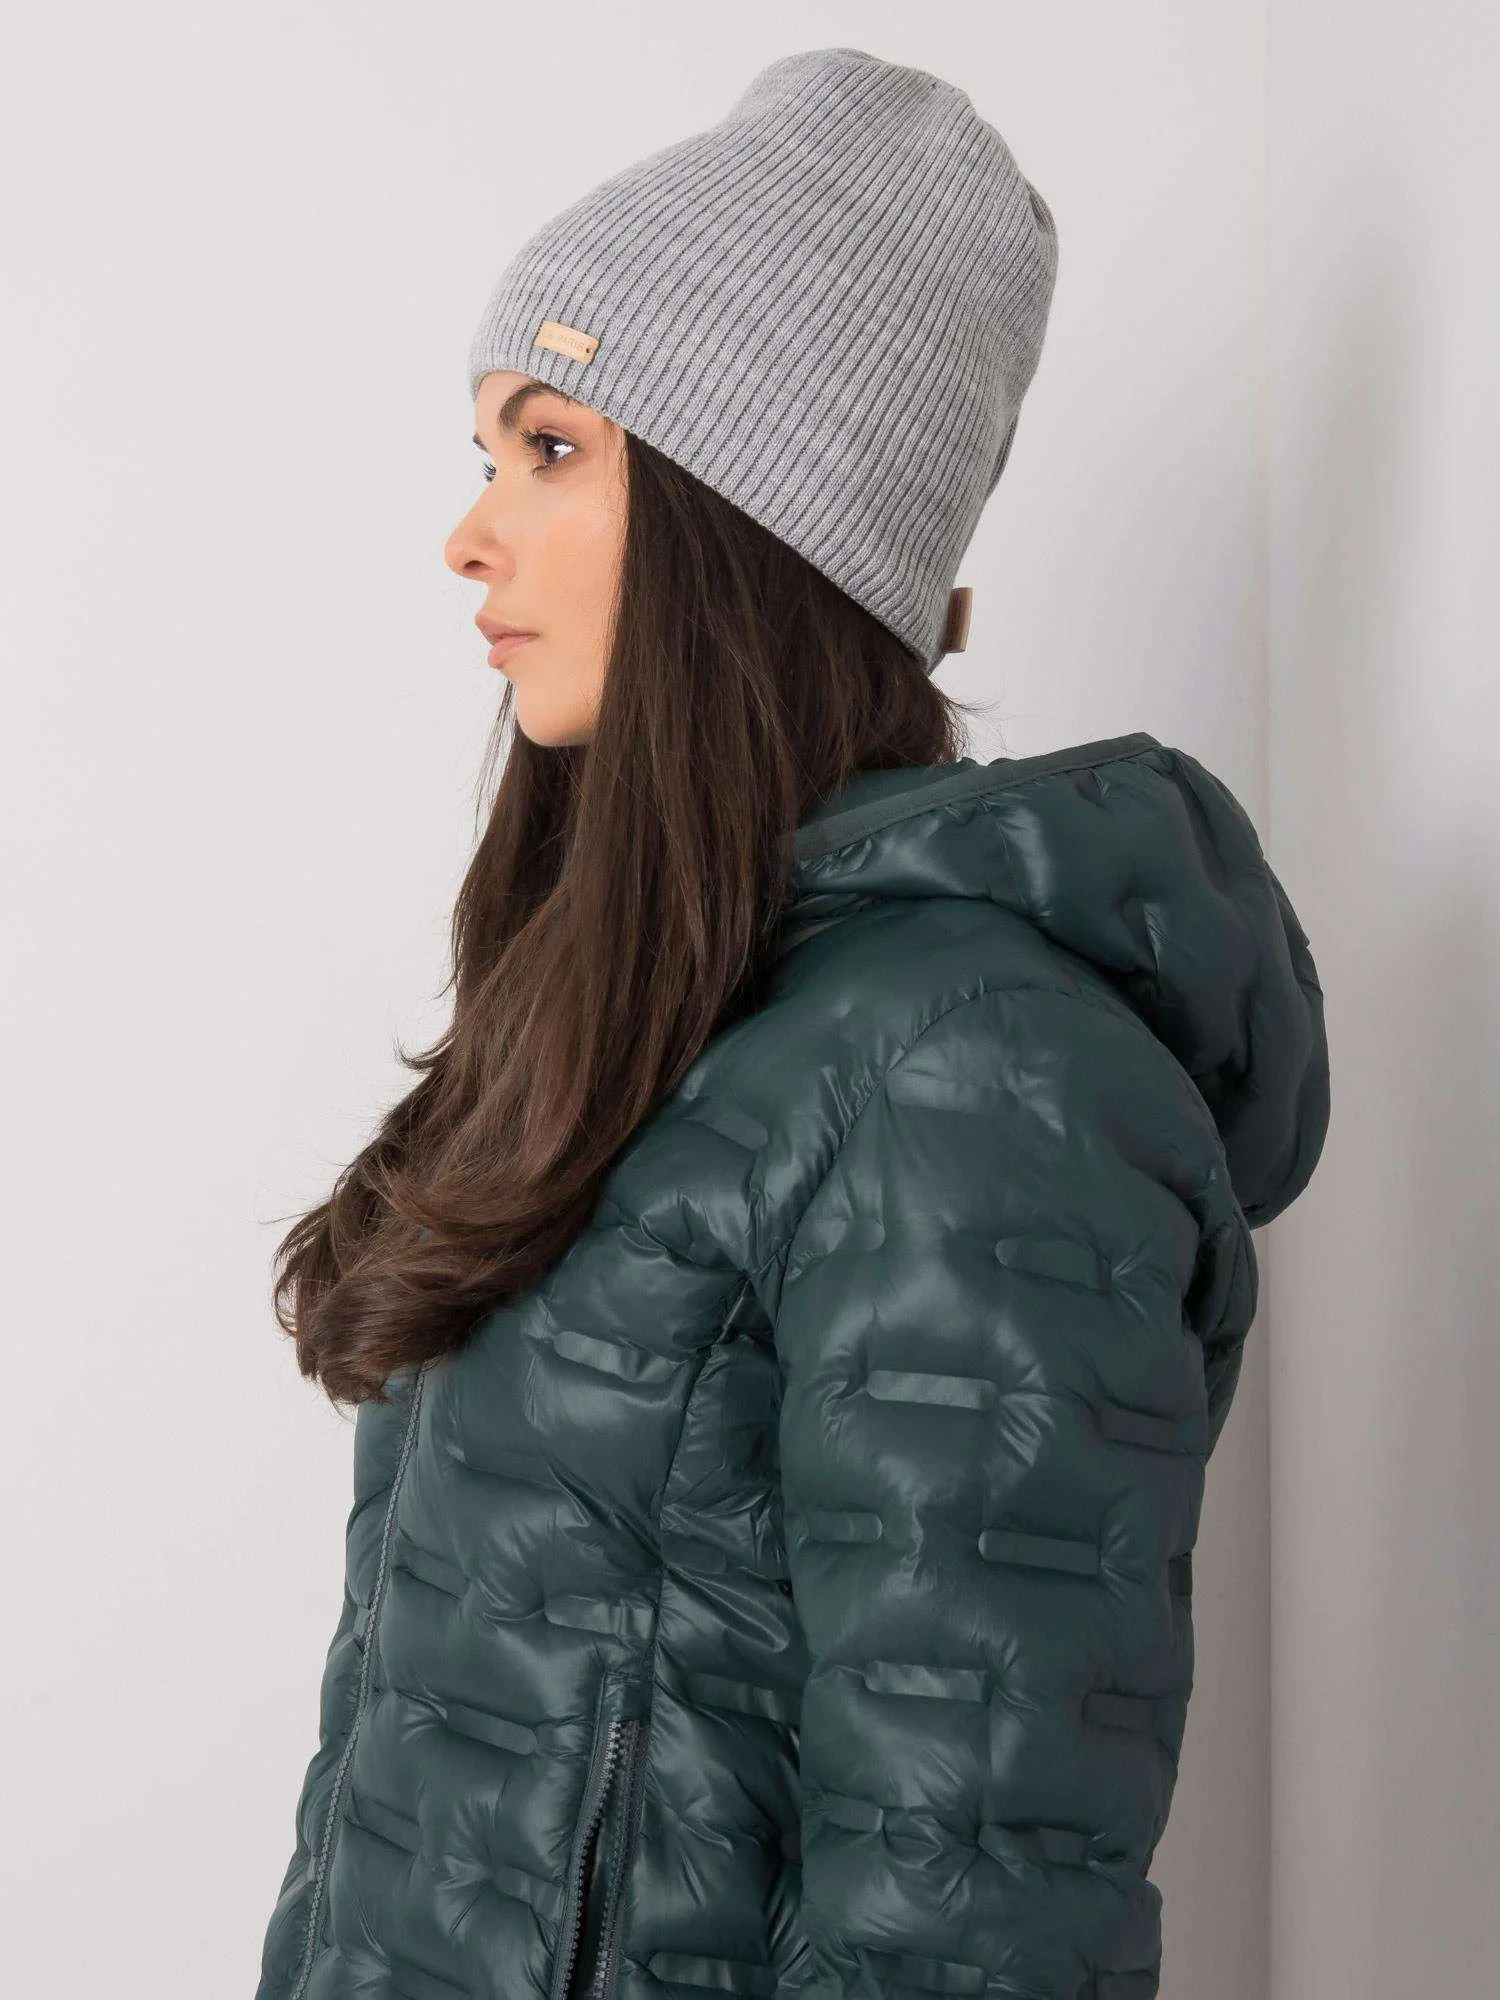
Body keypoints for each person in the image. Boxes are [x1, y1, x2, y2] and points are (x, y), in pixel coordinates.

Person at [253, 46, 1330, 2000]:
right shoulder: (642, 1013)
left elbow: (970, 1928)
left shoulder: (968, 1076)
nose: (471, 535)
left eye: (551, 447)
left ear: (760, 515)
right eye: (488, 454)